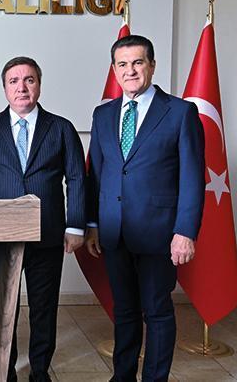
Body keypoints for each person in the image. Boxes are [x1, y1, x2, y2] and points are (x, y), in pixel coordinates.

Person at [85, 35, 205, 381]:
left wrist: (185, 231)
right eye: (122, 64)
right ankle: (122, 376)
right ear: (114, 70)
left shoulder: (180, 112)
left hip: (160, 234)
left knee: (157, 311)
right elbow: (98, 175)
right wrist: (93, 224)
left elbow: (192, 177)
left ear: (152, 65)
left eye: (138, 62)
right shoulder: (104, 114)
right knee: (124, 311)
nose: (130, 70)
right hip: (114, 231)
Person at [0, 56, 86, 382]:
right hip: (0, 236)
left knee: (43, 307)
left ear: (39, 84)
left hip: (47, 234)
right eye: (14, 81)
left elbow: (77, 178)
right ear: (4, 88)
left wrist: (75, 225)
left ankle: (39, 370)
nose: (22, 87)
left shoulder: (61, 128)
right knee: (2, 309)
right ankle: (6, 369)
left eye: (29, 80)